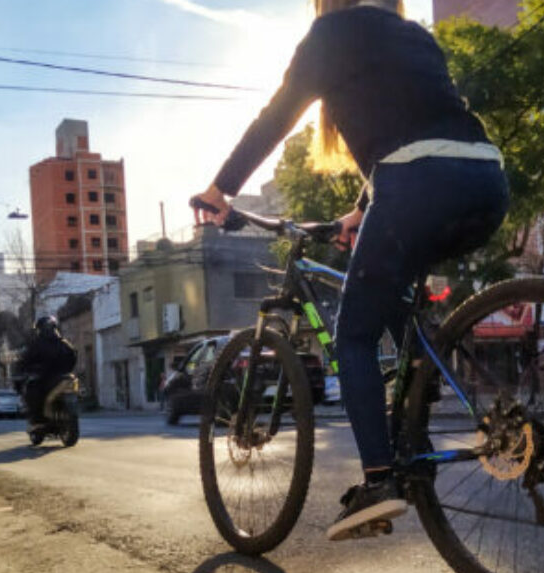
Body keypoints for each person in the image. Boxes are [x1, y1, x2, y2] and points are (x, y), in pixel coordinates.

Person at [193, 0, 508, 540]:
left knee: (353, 336)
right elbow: (415, 127)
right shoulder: (413, 36)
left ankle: (380, 481)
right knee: (395, 301)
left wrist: (221, 187)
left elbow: (277, 115)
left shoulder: (330, 32)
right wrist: (362, 214)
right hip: (486, 180)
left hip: (415, 187)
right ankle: (416, 415)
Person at [16, 316, 77, 430]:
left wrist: (23, 371)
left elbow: (25, 360)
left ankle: (38, 421)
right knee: (33, 389)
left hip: (45, 378)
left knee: (32, 391)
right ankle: (40, 420)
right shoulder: (65, 343)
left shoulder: (36, 345)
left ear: (40, 329)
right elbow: (73, 358)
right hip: (63, 376)